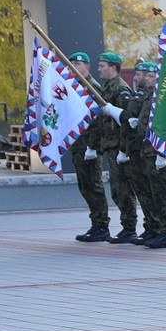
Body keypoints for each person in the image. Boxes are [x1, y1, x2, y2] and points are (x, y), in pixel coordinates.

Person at [118, 61, 166, 249]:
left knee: (164, 193)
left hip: (159, 154)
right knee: (152, 193)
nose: (148, 79)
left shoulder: (164, 98)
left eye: (152, 76)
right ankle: (155, 228)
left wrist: (163, 154)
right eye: (149, 76)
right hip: (146, 152)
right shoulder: (149, 97)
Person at [67, 52, 110, 243]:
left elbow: (98, 120)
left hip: (89, 146)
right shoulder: (73, 86)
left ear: (87, 67)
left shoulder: (92, 88)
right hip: (78, 145)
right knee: (85, 186)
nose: (73, 67)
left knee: (93, 185)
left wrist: (93, 147)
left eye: (77, 63)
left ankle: (102, 225)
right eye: (71, 64)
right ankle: (96, 224)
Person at [95, 52, 138, 244]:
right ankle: (126, 226)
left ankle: (129, 228)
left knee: (123, 190)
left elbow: (126, 123)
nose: (99, 69)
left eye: (102, 66)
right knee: (116, 190)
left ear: (113, 68)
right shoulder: (107, 88)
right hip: (110, 146)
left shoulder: (121, 90)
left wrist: (123, 149)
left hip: (119, 147)